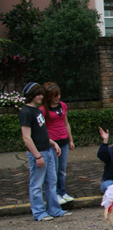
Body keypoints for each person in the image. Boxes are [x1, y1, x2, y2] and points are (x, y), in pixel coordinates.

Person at [19, 82, 69, 221]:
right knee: (36, 184)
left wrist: (52, 143)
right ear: (31, 96)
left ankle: (54, 209)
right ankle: (39, 212)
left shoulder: (38, 111)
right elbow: (26, 137)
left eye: (41, 94)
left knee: (51, 181)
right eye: (38, 94)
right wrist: (37, 156)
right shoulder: (26, 112)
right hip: (39, 153)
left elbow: (41, 133)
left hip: (48, 150)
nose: (41, 96)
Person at [41, 82, 75, 204]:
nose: (57, 97)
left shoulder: (63, 106)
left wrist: (70, 140)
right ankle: (54, 193)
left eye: (59, 94)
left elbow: (66, 123)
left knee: (62, 169)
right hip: (52, 143)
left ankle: (62, 192)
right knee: (53, 170)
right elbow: (42, 128)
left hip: (63, 141)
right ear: (48, 96)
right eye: (54, 95)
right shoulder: (43, 110)